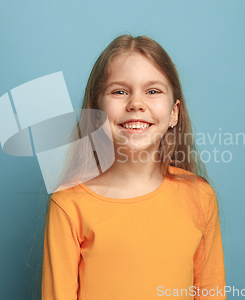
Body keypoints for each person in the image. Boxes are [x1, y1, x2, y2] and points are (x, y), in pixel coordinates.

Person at [41, 34, 226, 299]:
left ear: (174, 113)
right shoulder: (68, 205)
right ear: (95, 113)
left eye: (152, 91)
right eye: (119, 91)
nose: (136, 104)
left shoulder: (200, 197)